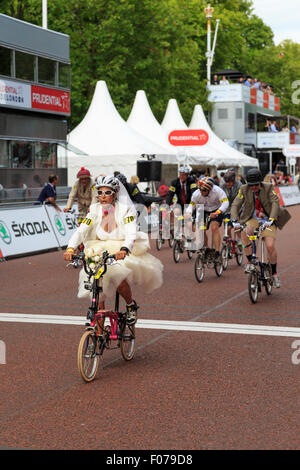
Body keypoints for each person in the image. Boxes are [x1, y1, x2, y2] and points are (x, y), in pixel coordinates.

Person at [63, 175, 163, 325]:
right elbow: (81, 230)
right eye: (100, 192)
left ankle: (130, 306)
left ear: (115, 194)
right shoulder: (94, 209)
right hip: (99, 247)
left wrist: (124, 249)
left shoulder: (126, 209)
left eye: (107, 193)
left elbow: (130, 233)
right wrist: (71, 248)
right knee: (95, 284)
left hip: (119, 247)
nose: (103, 196)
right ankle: (98, 333)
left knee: (118, 276)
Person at [230, 168, 291, 288]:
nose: (253, 188)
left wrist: (271, 219)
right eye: (251, 185)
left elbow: (275, 202)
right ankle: (249, 261)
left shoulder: (268, 187)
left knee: (270, 246)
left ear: (260, 182)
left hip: (268, 220)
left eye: (255, 185)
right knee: (244, 232)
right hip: (253, 219)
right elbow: (236, 204)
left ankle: (274, 273)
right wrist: (234, 219)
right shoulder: (243, 189)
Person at [186, 176, 229, 262]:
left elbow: (225, 202)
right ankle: (206, 249)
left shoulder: (218, 191)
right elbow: (191, 205)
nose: (202, 192)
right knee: (201, 228)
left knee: (214, 228)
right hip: (203, 210)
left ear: (209, 190)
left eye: (204, 190)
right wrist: (188, 213)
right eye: (200, 189)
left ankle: (217, 252)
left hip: (216, 210)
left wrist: (218, 212)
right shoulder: (196, 194)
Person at [221, 169, 242, 244]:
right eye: (226, 182)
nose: (227, 184)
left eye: (229, 182)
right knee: (228, 228)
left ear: (233, 181)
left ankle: (240, 239)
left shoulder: (239, 185)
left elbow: (241, 199)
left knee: (236, 226)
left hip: (237, 208)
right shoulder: (222, 186)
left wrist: (238, 211)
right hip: (227, 209)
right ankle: (229, 245)